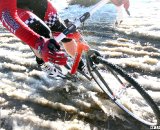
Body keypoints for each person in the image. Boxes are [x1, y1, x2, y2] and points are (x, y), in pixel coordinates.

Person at [0, 0, 130, 78]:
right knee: (43, 34)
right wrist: (38, 43)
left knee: (64, 32)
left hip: (37, 2)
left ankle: (79, 64)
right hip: (14, 8)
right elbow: (7, 16)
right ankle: (41, 60)